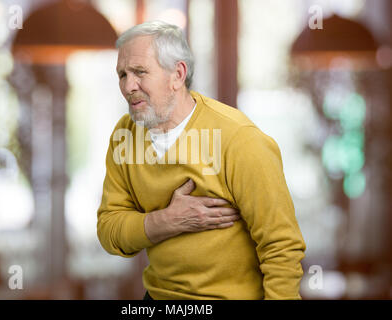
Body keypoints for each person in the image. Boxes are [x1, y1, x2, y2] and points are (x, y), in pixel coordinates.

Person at [97, 20, 306, 300]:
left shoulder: (238, 139)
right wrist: (166, 220)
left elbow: (282, 248)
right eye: (122, 74)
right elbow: (109, 230)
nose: (128, 86)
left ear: (177, 74)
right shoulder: (125, 134)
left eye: (139, 72)